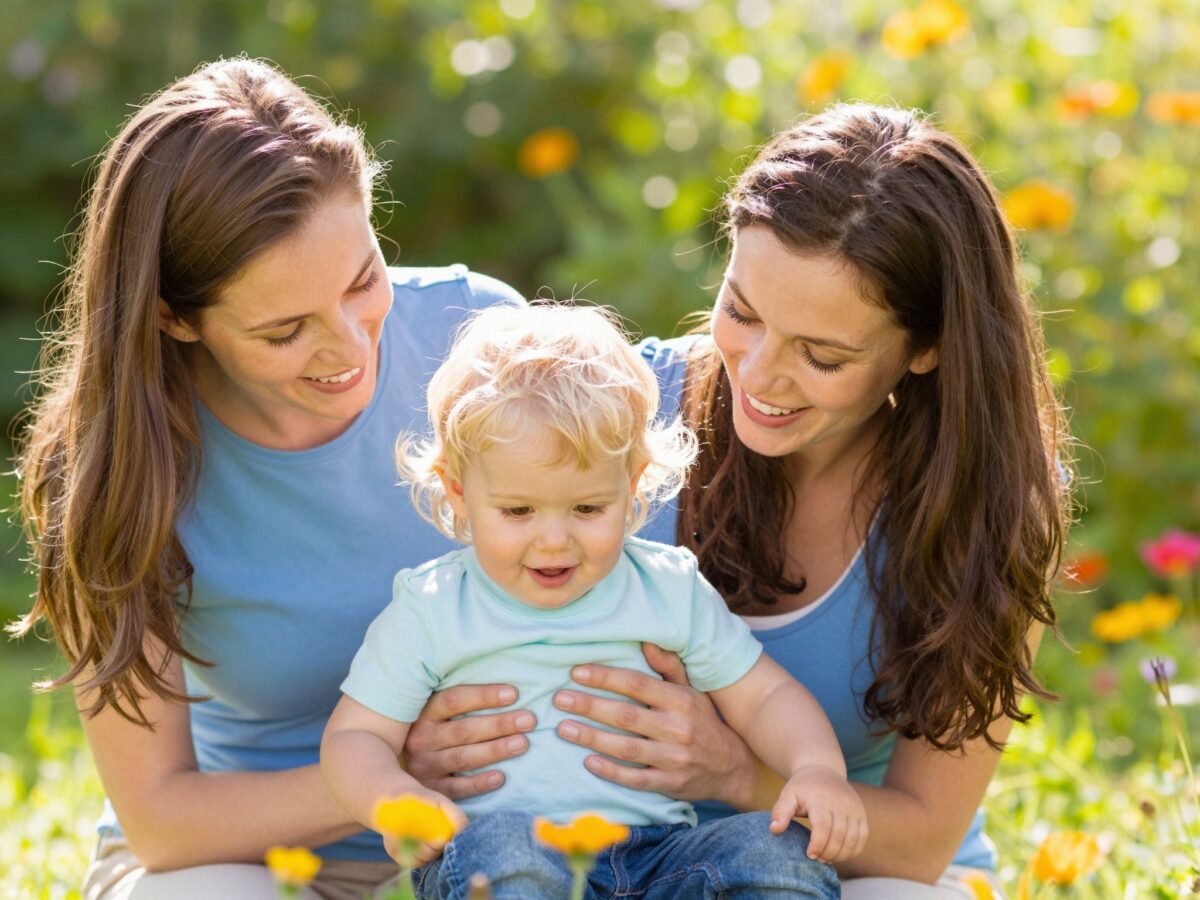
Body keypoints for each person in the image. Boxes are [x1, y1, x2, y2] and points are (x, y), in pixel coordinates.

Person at [398, 104, 1071, 899]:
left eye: (821, 356)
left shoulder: (989, 510)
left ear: (928, 348)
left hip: (849, 870)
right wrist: (426, 750)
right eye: (742, 313)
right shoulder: (612, 418)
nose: (757, 376)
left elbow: (921, 842)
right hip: (593, 857)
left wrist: (731, 769)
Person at [12, 58, 529, 899]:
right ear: (174, 318)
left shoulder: (483, 337)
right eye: (285, 331)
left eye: (364, 280)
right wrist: (382, 770)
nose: (351, 348)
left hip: (507, 832)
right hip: (255, 857)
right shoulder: (120, 467)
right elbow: (160, 820)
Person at [321, 303, 866, 899]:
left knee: (776, 853)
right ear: (458, 489)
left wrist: (817, 769)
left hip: (658, 857)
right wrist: (396, 800)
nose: (554, 539)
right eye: (518, 511)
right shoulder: (433, 606)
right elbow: (356, 738)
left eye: (587, 509)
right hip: (506, 850)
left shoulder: (666, 587)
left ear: (631, 485)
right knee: (506, 848)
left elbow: (764, 697)